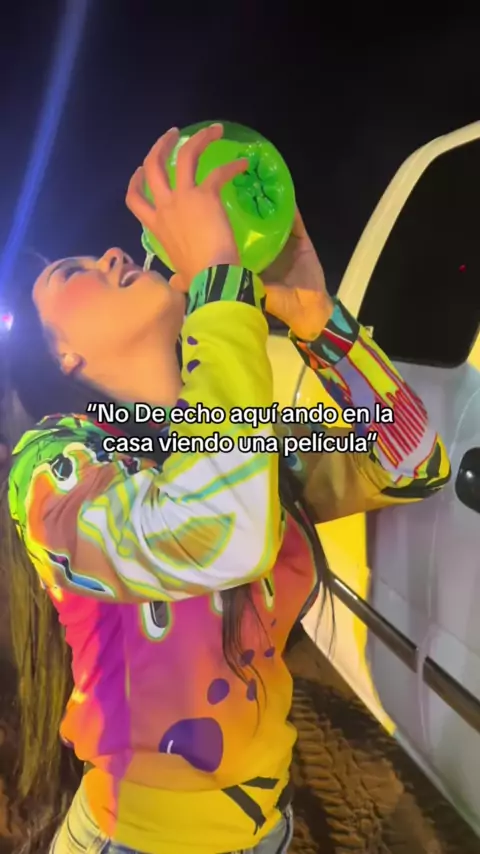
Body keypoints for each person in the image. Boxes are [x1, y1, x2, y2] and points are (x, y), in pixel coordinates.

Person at [1, 123, 451, 854]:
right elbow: (218, 533)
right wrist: (216, 276)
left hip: (267, 827)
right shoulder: (54, 468)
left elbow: (414, 461)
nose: (111, 252)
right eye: (71, 272)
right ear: (64, 356)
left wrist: (318, 319)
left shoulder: (249, 440)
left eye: (99, 250)